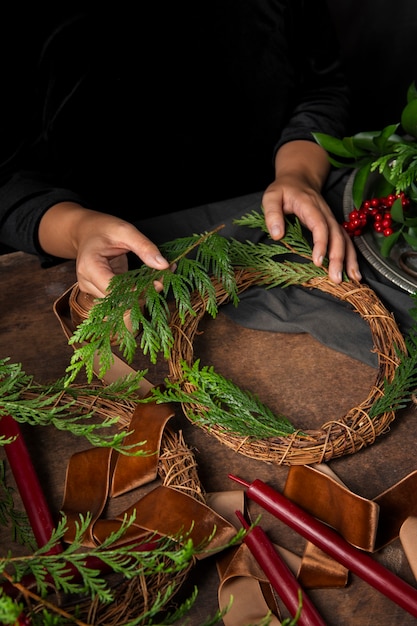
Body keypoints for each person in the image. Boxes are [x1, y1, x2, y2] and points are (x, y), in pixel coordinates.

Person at [0, 2, 360, 302]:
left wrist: (298, 175)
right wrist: (78, 230)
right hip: (114, 258)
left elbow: (321, 87)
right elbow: (6, 182)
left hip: (269, 221)